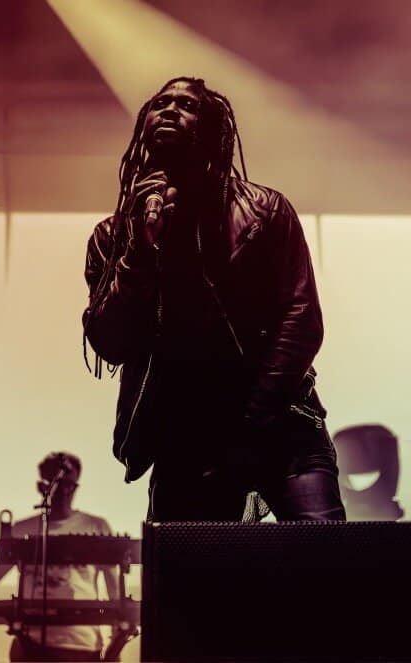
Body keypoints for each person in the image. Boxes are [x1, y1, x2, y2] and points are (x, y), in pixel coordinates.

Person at [82, 76, 346, 523]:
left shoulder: (265, 211)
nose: (168, 110)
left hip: (282, 426)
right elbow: (109, 342)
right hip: (185, 441)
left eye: (185, 105)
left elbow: (301, 321)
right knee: (190, 584)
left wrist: (250, 425)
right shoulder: (114, 237)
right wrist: (140, 253)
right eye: (160, 103)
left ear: (212, 128)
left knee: (323, 569)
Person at [0, 452, 121, 662]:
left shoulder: (97, 526)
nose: (66, 491)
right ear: (42, 486)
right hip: (28, 644)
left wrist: (117, 644)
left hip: (81, 645)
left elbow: (115, 593)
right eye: (58, 484)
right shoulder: (22, 529)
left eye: (71, 485)